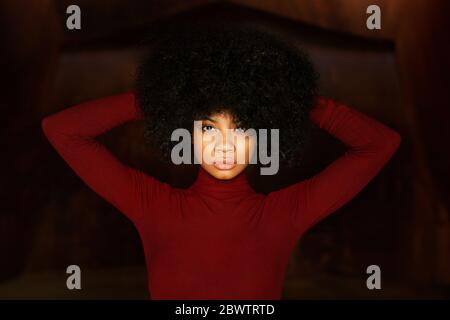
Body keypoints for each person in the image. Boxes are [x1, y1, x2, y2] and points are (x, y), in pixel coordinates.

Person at [41, 24, 401, 299]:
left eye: (243, 129)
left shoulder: (286, 213)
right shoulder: (150, 205)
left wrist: (292, 99)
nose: (225, 145)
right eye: (210, 129)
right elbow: (62, 130)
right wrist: (156, 98)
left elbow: (380, 143)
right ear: (187, 132)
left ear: (262, 135)